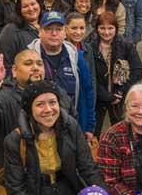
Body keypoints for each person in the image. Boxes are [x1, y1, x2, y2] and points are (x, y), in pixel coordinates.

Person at [3, 81, 106, 195]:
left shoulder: (69, 127)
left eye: (52, 102)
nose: (48, 109)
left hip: (68, 194)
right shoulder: (15, 141)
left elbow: (87, 167)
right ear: (29, 109)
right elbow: (16, 190)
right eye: (40, 104)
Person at [0, 49, 76, 168]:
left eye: (39, 64)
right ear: (14, 71)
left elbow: (72, 124)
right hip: (19, 175)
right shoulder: (4, 100)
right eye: (28, 63)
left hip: (59, 171)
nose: (35, 68)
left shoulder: (58, 93)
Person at [28, 11, 96, 140]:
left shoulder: (76, 58)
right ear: (40, 31)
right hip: (39, 131)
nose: (54, 34)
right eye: (49, 29)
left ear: (65, 33)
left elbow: (88, 92)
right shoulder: (30, 57)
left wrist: (89, 126)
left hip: (71, 128)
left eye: (58, 29)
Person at [90, 12, 142, 137]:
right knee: (94, 133)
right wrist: (106, 96)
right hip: (98, 97)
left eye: (110, 28)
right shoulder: (90, 47)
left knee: (122, 132)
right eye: (102, 28)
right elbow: (89, 76)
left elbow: (137, 71)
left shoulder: (125, 45)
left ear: (116, 29)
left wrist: (120, 92)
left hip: (120, 97)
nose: (106, 32)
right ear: (97, 29)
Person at [0, 0, 41, 74]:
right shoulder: (10, 31)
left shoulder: (47, 25)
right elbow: (7, 65)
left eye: (33, 4)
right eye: (25, 6)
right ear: (19, 10)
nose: (31, 9)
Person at [65, 12, 96, 102]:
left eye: (82, 28)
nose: (78, 32)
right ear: (66, 29)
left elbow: (92, 78)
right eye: (74, 28)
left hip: (84, 99)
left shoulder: (88, 48)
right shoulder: (60, 48)